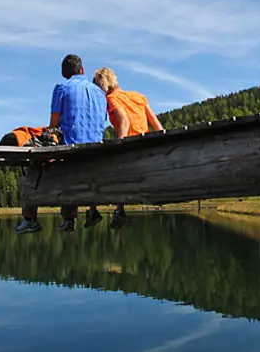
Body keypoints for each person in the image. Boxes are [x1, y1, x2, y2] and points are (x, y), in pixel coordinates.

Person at [14, 54, 107, 235]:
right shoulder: (100, 93)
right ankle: (68, 219)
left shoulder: (62, 87)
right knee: (72, 163)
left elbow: (54, 125)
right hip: (97, 151)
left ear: (64, 74)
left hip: (71, 151)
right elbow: (102, 122)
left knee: (31, 163)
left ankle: (30, 218)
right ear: (82, 70)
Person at [91, 66, 165, 228]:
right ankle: (117, 210)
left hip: (131, 144)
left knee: (107, 171)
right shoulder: (137, 96)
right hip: (146, 143)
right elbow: (155, 122)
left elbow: (124, 121)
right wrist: (163, 141)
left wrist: (120, 144)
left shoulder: (111, 99)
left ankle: (106, 209)